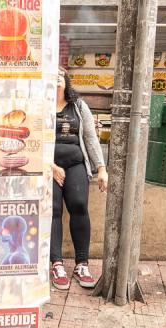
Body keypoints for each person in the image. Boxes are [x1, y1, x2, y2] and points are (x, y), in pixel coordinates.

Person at [50, 67, 108, 290]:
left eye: (59, 76)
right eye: (51, 77)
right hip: (50, 168)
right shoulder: (40, 105)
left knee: (79, 205)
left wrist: (101, 168)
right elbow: (34, 138)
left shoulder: (79, 106)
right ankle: (56, 263)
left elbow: (90, 138)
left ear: (66, 81)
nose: (55, 80)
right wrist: (51, 166)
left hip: (75, 164)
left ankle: (82, 263)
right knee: (54, 210)